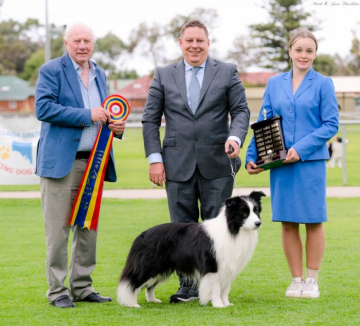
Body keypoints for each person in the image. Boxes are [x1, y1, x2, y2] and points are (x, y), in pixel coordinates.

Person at [142, 19, 250, 303]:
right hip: (176, 164)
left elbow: (241, 110)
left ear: (208, 42)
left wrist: (235, 139)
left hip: (218, 164)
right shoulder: (164, 74)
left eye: (199, 40)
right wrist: (155, 159)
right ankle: (188, 288)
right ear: (180, 43)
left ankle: (216, 287)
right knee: (181, 230)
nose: (194, 45)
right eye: (189, 40)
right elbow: (150, 119)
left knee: (219, 231)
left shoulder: (227, 72)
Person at [35, 23, 126, 308]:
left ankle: (82, 287)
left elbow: (106, 114)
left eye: (87, 40)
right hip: (61, 164)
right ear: (66, 43)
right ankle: (58, 292)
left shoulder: (100, 73)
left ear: (93, 44)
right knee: (58, 231)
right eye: (77, 41)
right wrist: (88, 114)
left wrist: (116, 126)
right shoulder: (51, 70)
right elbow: (44, 108)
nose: (83, 45)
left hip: (94, 164)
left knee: (88, 228)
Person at [246, 28, 338, 298]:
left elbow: (331, 124)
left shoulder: (323, 83)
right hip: (280, 164)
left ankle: (312, 280)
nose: (304, 55)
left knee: (313, 220)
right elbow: (263, 123)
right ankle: (296, 280)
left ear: (315, 53)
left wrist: (301, 147)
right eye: (299, 50)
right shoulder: (274, 83)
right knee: (287, 222)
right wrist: (253, 157)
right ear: (290, 52)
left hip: (310, 163)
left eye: (309, 51)